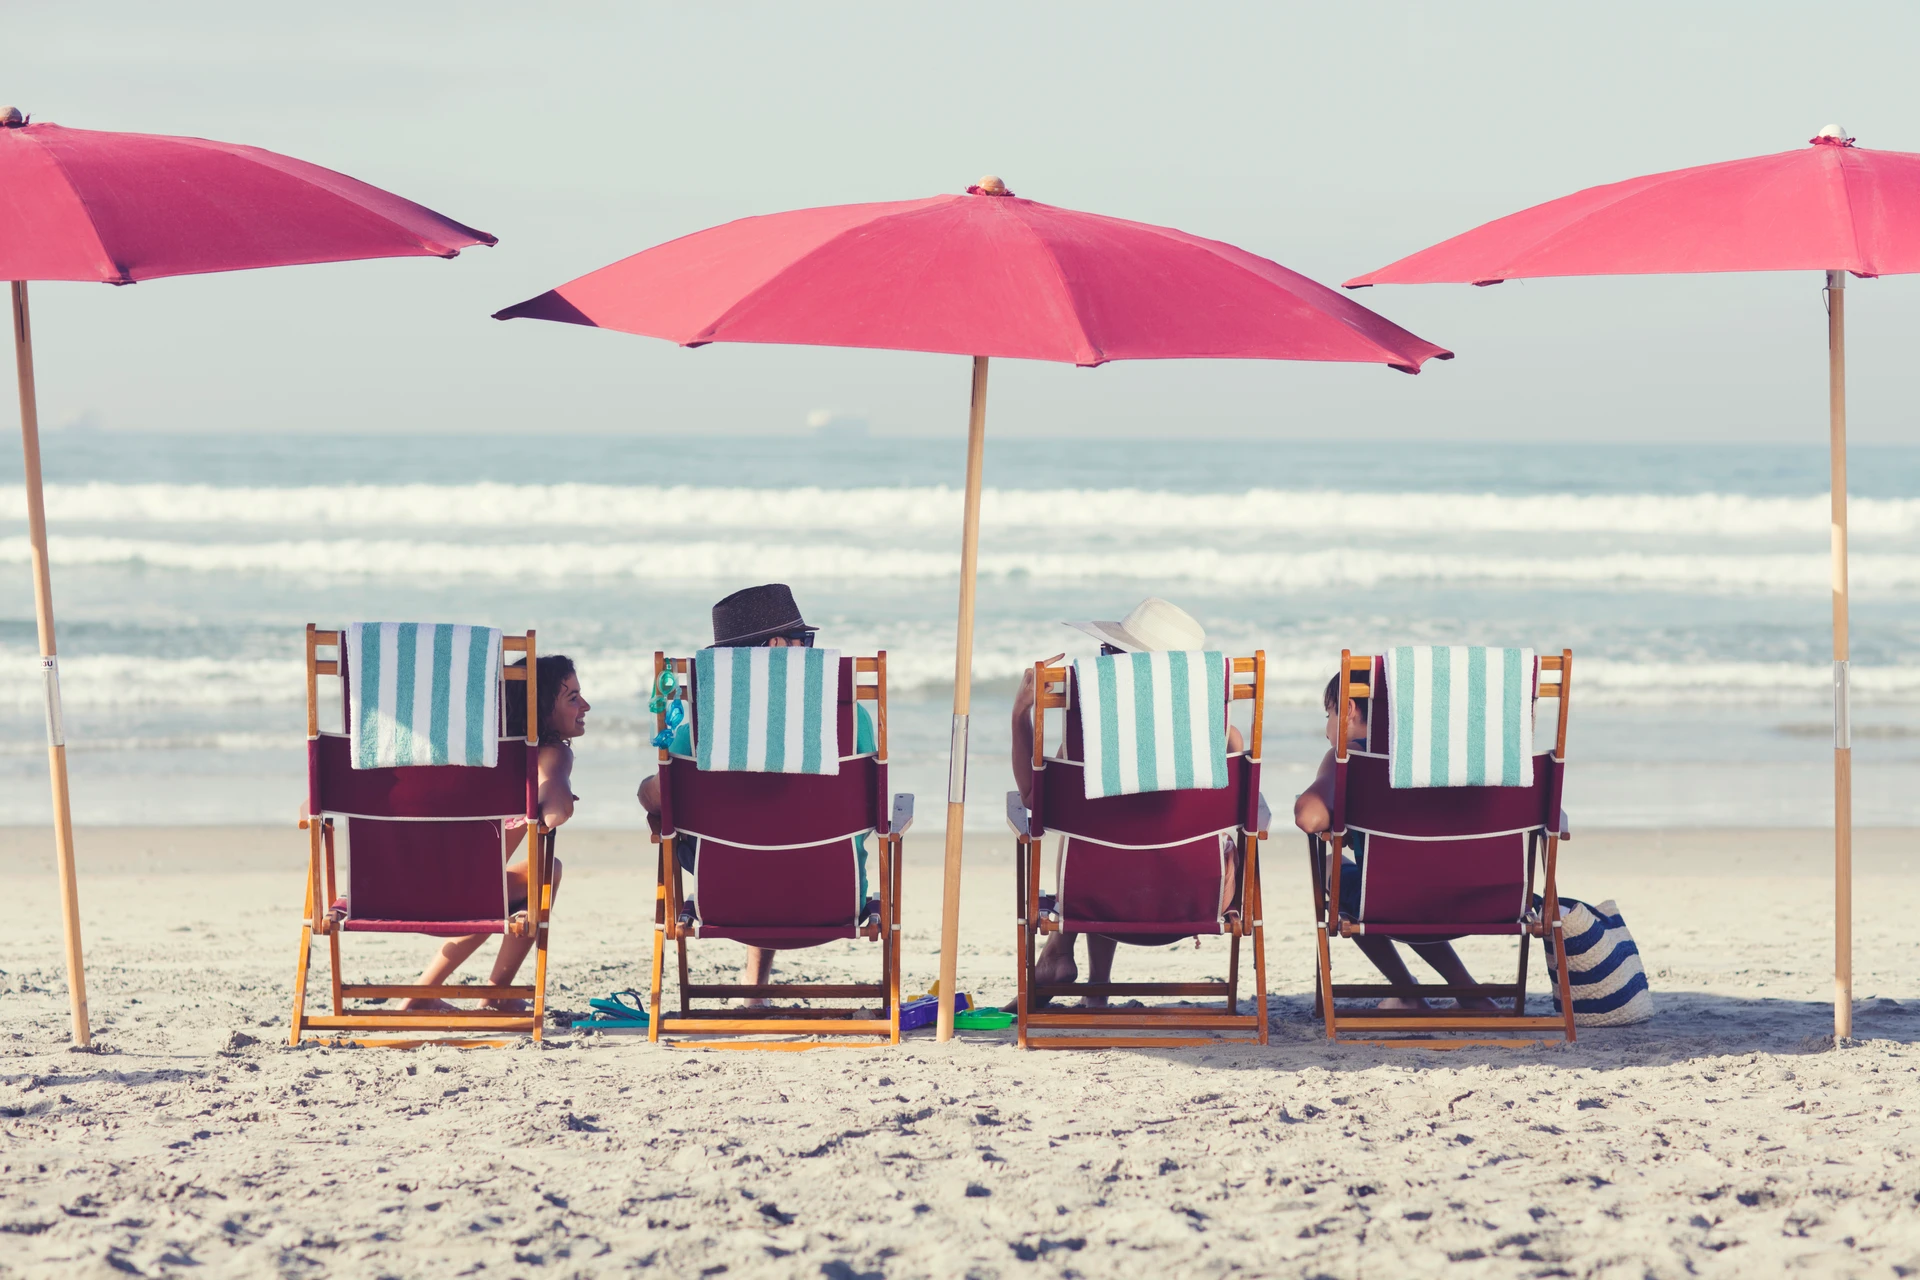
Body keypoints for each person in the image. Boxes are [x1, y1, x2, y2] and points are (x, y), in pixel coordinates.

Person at [637, 584, 877, 1003]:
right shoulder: (849, 716)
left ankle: (755, 987)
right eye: (804, 641)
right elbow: (873, 811)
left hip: (727, 899)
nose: (808, 649)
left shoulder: (700, 730)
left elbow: (655, 799)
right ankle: (755, 987)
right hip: (833, 894)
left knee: (749, 835)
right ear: (777, 645)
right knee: (779, 827)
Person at [1010, 597, 1245, 1009]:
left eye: (1107, 653)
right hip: (1195, 899)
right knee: (1126, 836)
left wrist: (1020, 715)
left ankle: (1057, 956)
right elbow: (1243, 810)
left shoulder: (1087, 734)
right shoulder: (1221, 733)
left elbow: (1032, 798)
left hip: (1097, 899)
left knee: (1100, 837)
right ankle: (1094, 986)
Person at [1292, 673, 1495, 1011]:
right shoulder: (1444, 756)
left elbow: (1309, 819)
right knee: (1414, 883)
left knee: (1337, 870)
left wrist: (1336, 806)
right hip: (1476, 899)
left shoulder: (1350, 757)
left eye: (1328, 713)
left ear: (1350, 710)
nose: (1328, 724)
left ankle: (1405, 990)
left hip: (1390, 903)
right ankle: (1468, 991)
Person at [399, 654, 587, 1013]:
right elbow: (557, 812)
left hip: (390, 893)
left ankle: (418, 997)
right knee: (544, 871)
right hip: (464, 898)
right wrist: (548, 793)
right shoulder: (550, 754)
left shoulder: (458, 754)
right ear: (541, 709)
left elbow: (308, 807)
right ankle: (496, 992)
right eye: (572, 697)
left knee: (480, 883)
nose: (586, 705)